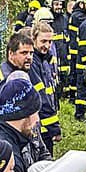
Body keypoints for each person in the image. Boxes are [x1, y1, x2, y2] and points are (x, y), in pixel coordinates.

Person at [0, 29, 34, 123]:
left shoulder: (17, 72)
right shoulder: (7, 81)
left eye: (31, 53)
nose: (29, 57)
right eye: (24, 53)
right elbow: (1, 118)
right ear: (11, 54)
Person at [30, 21, 62, 155]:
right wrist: (54, 128)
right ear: (33, 39)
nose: (47, 46)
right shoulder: (33, 63)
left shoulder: (45, 60)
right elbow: (40, 97)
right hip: (40, 126)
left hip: (45, 125)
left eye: (50, 42)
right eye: (43, 41)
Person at [46, 0, 71, 95]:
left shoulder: (65, 19)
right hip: (51, 56)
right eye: (56, 4)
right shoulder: (47, 19)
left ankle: (64, 97)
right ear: (50, 5)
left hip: (64, 56)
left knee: (64, 79)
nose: (59, 7)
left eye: (61, 4)